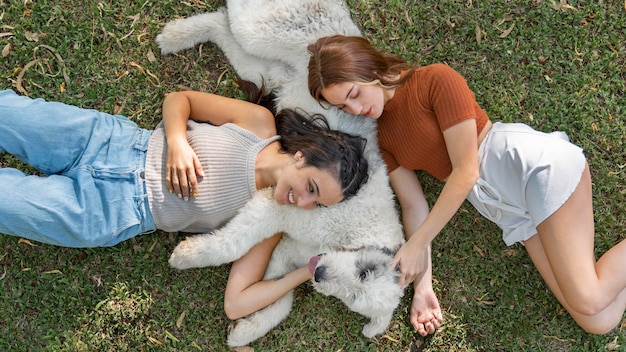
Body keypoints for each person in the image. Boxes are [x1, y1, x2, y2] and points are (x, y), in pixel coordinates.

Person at [306, 34, 626, 337]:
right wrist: (424, 287)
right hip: (510, 210)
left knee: (589, 299)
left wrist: (417, 245)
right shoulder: (384, 137)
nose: (357, 110)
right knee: (598, 320)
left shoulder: (434, 79)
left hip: (526, 168)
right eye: (344, 107)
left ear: (370, 69)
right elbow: (414, 206)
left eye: (354, 95)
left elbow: (466, 171)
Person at [0, 84, 369, 320]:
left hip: (109, 210)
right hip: (105, 140)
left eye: (316, 205)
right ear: (303, 155)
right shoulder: (258, 124)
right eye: (312, 189)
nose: (303, 203)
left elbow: (236, 304)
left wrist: (308, 271)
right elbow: (181, 99)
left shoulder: (267, 221)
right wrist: (177, 141)